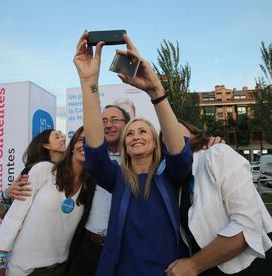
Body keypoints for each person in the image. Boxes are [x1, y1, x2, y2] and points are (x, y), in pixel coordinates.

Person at [74, 31, 192, 275]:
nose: (136, 136)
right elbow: (95, 151)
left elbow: (178, 151)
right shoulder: (116, 178)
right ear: (125, 146)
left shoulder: (170, 174)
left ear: (155, 142)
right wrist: (89, 82)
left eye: (143, 131)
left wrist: (155, 90)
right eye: (130, 133)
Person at [166, 121, 272, 276]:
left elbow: (247, 224)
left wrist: (194, 264)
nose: (169, 133)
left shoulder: (217, 154)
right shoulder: (177, 181)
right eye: (163, 134)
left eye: (173, 125)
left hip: (251, 268)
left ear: (193, 131)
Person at [0, 127, 92, 276]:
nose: (86, 144)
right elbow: (12, 218)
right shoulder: (41, 169)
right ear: (73, 145)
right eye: (81, 140)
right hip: (25, 270)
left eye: (92, 142)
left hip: (62, 268)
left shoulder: (90, 186)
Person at [66, 104, 130, 275]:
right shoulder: (89, 159)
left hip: (123, 250)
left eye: (115, 120)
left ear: (127, 124)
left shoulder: (138, 159)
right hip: (86, 247)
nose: (108, 125)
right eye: (103, 121)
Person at [0, 130, 66, 218]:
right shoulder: (33, 169)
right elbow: (3, 214)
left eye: (63, 136)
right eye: (57, 137)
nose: (64, 139)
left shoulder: (70, 168)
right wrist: (6, 196)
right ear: (47, 145)